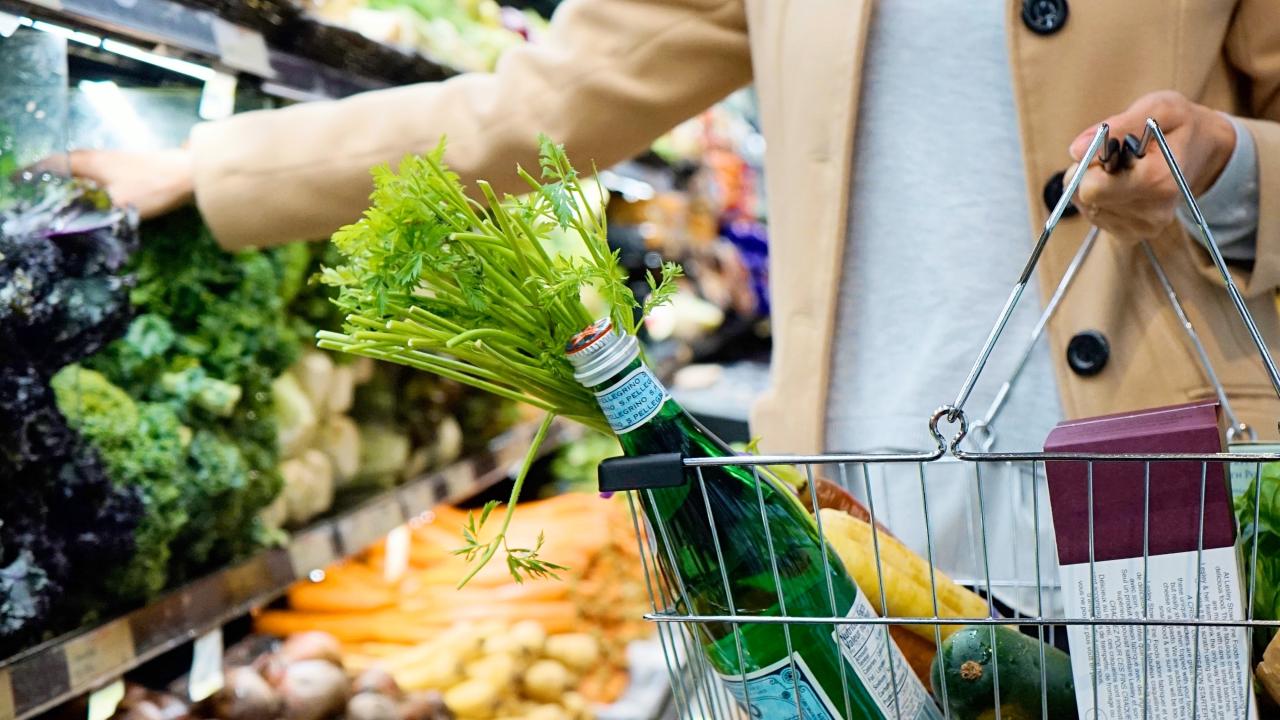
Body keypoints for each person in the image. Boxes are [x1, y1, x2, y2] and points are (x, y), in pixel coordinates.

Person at [69, 0, 1279, 614]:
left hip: (1165, 489)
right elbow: (535, 103)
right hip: (854, 506)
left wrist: (1225, 174)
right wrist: (218, 170)